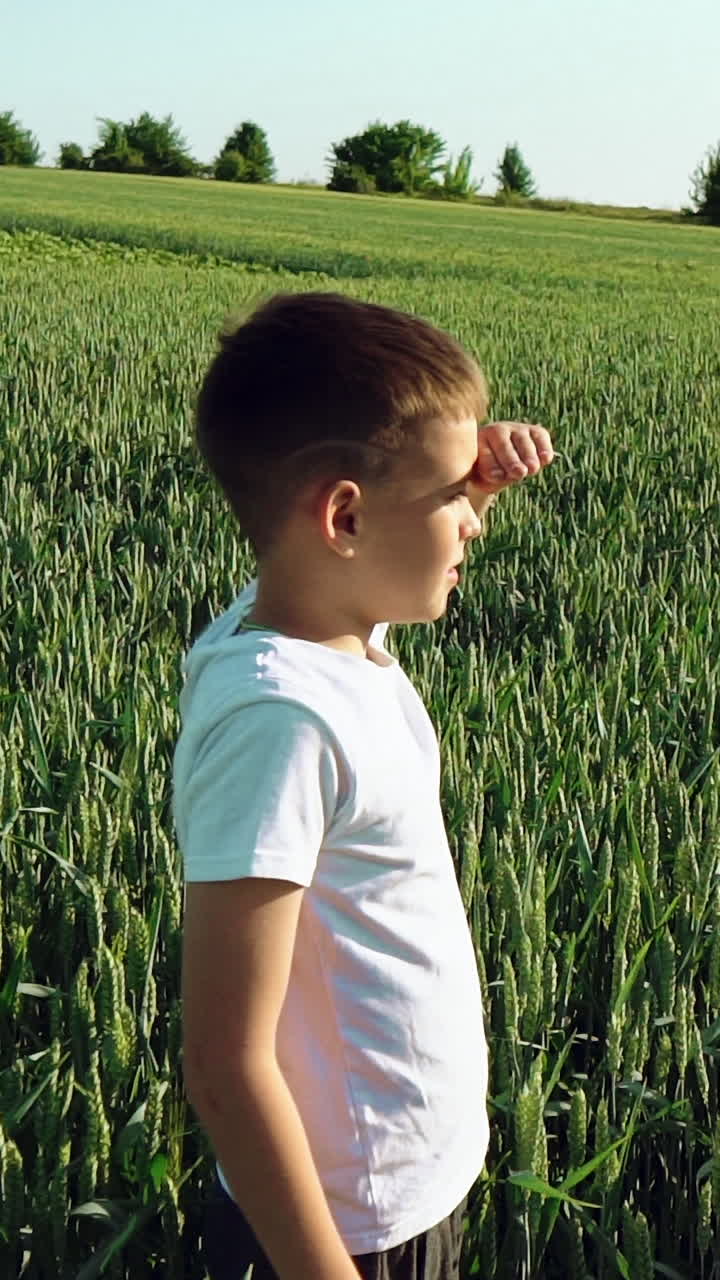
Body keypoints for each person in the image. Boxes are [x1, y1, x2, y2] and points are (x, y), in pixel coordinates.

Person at [172, 291, 553, 1280]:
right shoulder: (281, 722)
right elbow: (223, 1059)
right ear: (344, 513)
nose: (472, 521)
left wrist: (464, 477)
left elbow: (361, 568)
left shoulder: (320, 629)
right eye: (451, 498)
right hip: (348, 1227)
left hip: (397, 1181)